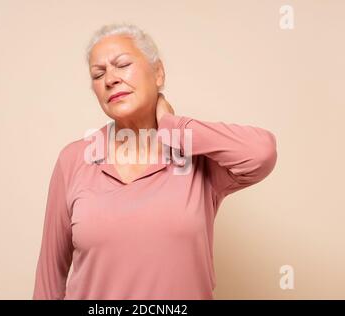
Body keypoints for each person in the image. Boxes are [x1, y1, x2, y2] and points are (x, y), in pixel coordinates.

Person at [32, 23, 277, 300]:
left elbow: (261, 152)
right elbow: (49, 278)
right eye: (98, 74)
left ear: (158, 73)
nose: (110, 79)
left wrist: (174, 127)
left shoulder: (198, 160)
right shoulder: (74, 159)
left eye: (122, 64)